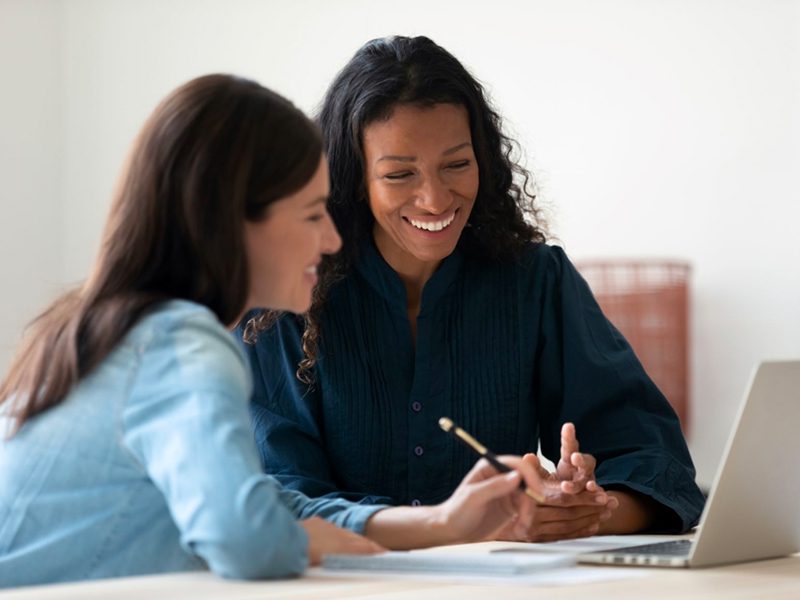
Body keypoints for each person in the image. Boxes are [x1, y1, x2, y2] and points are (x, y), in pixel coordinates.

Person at [0, 74, 545, 588]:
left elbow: (258, 508)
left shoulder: (111, 330)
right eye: (312, 214)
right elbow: (246, 539)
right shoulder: (181, 344)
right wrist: (304, 540)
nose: (333, 239)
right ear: (232, 222)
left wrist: (443, 524)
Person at [241, 36, 706, 541]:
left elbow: (660, 465)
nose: (436, 198)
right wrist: (456, 527)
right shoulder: (286, 298)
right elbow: (277, 500)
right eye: (400, 174)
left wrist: (581, 511)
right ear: (354, 179)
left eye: (457, 165)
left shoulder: (536, 281)